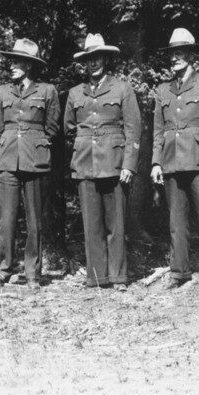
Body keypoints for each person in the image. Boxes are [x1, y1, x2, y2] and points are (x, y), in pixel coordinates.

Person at [150, 28, 199, 290]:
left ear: (191, 55)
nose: (176, 57)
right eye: (172, 53)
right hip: (171, 162)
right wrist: (155, 162)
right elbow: (158, 130)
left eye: (181, 52)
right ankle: (179, 272)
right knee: (176, 221)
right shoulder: (163, 89)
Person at [64, 34, 141, 291]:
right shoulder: (75, 93)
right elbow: (68, 129)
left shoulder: (122, 89)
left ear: (106, 59)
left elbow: (133, 129)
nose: (93, 63)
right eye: (88, 59)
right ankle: (97, 277)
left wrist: (129, 164)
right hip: (85, 163)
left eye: (97, 57)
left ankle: (118, 276)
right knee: (91, 225)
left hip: (115, 163)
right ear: (84, 63)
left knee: (116, 224)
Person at [0, 38, 61, 291]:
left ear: (30, 65)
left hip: (36, 159)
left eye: (17, 61)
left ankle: (32, 273)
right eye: (11, 60)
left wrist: (35, 142)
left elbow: (52, 128)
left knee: (35, 221)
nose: (12, 65)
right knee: (6, 219)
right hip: (7, 159)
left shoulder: (47, 91)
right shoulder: (2, 91)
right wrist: (9, 142)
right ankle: (4, 269)